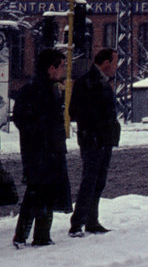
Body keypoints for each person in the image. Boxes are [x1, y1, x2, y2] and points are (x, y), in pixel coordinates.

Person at [12, 49, 71, 248]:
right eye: (61, 66)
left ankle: (26, 235)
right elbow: (23, 120)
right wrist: (43, 136)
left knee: (38, 191)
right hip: (41, 151)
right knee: (41, 192)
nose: (63, 70)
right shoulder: (36, 91)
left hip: (45, 150)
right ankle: (39, 236)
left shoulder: (48, 89)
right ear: (51, 68)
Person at [69, 47, 121, 237]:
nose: (116, 66)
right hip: (93, 139)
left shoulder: (103, 82)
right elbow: (74, 111)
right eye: (115, 62)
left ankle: (91, 220)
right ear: (106, 63)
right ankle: (77, 223)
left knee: (99, 181)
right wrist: (97, 126)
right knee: (89, 181)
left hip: (104, 139)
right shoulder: (87, 82)